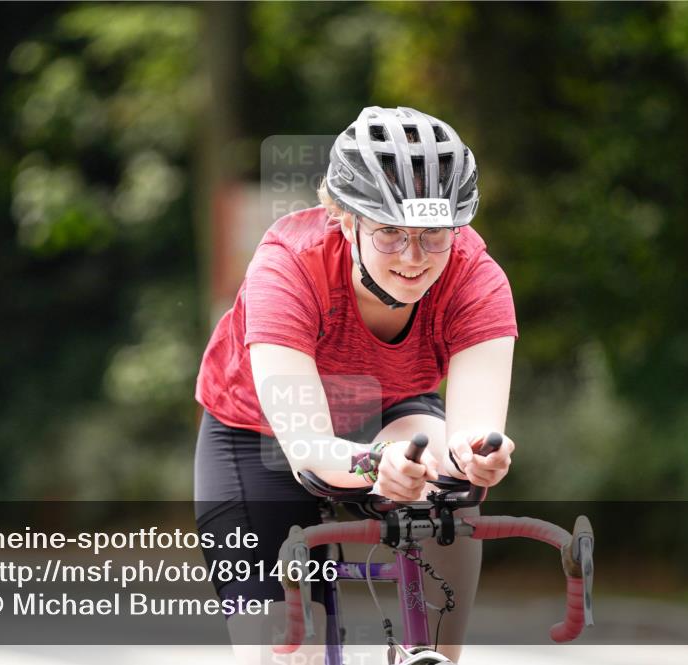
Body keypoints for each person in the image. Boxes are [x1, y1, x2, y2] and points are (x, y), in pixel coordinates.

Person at [194, 106, 518, 664]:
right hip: (259, 434)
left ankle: (433, 653)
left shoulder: (475, 276)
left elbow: (472, 432)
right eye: (390, 233)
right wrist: (377, 465)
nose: (414, 259)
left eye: (433, 235)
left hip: (392, 408)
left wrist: (475, 455)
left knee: (448, 491)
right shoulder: (287, 267)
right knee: (284, 654)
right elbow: (310, 448)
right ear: (345, 220)